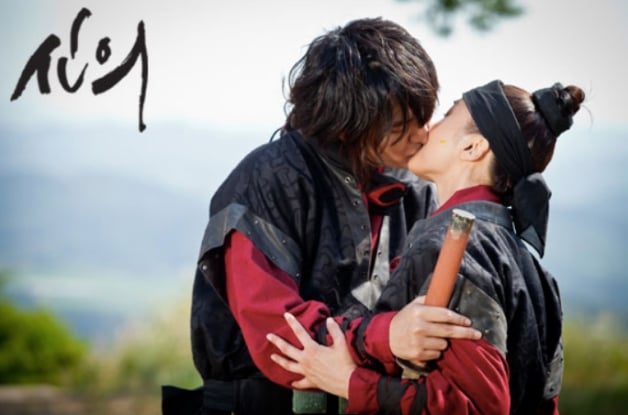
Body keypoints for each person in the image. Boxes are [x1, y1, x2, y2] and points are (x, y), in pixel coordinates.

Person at [162, 17, 481, 415]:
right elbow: (283, 339)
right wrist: (387, 337)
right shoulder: (266, 181)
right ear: (348, 126)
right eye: (401, 126)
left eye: (423, 117)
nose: (421, 135)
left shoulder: (416, 187)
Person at [267, 80, 586, 414]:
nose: (427, 127)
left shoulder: (454, 248)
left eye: (447, 116)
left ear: (472, 147)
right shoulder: (537, 273)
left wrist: (349, 382)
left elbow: (476, 406)